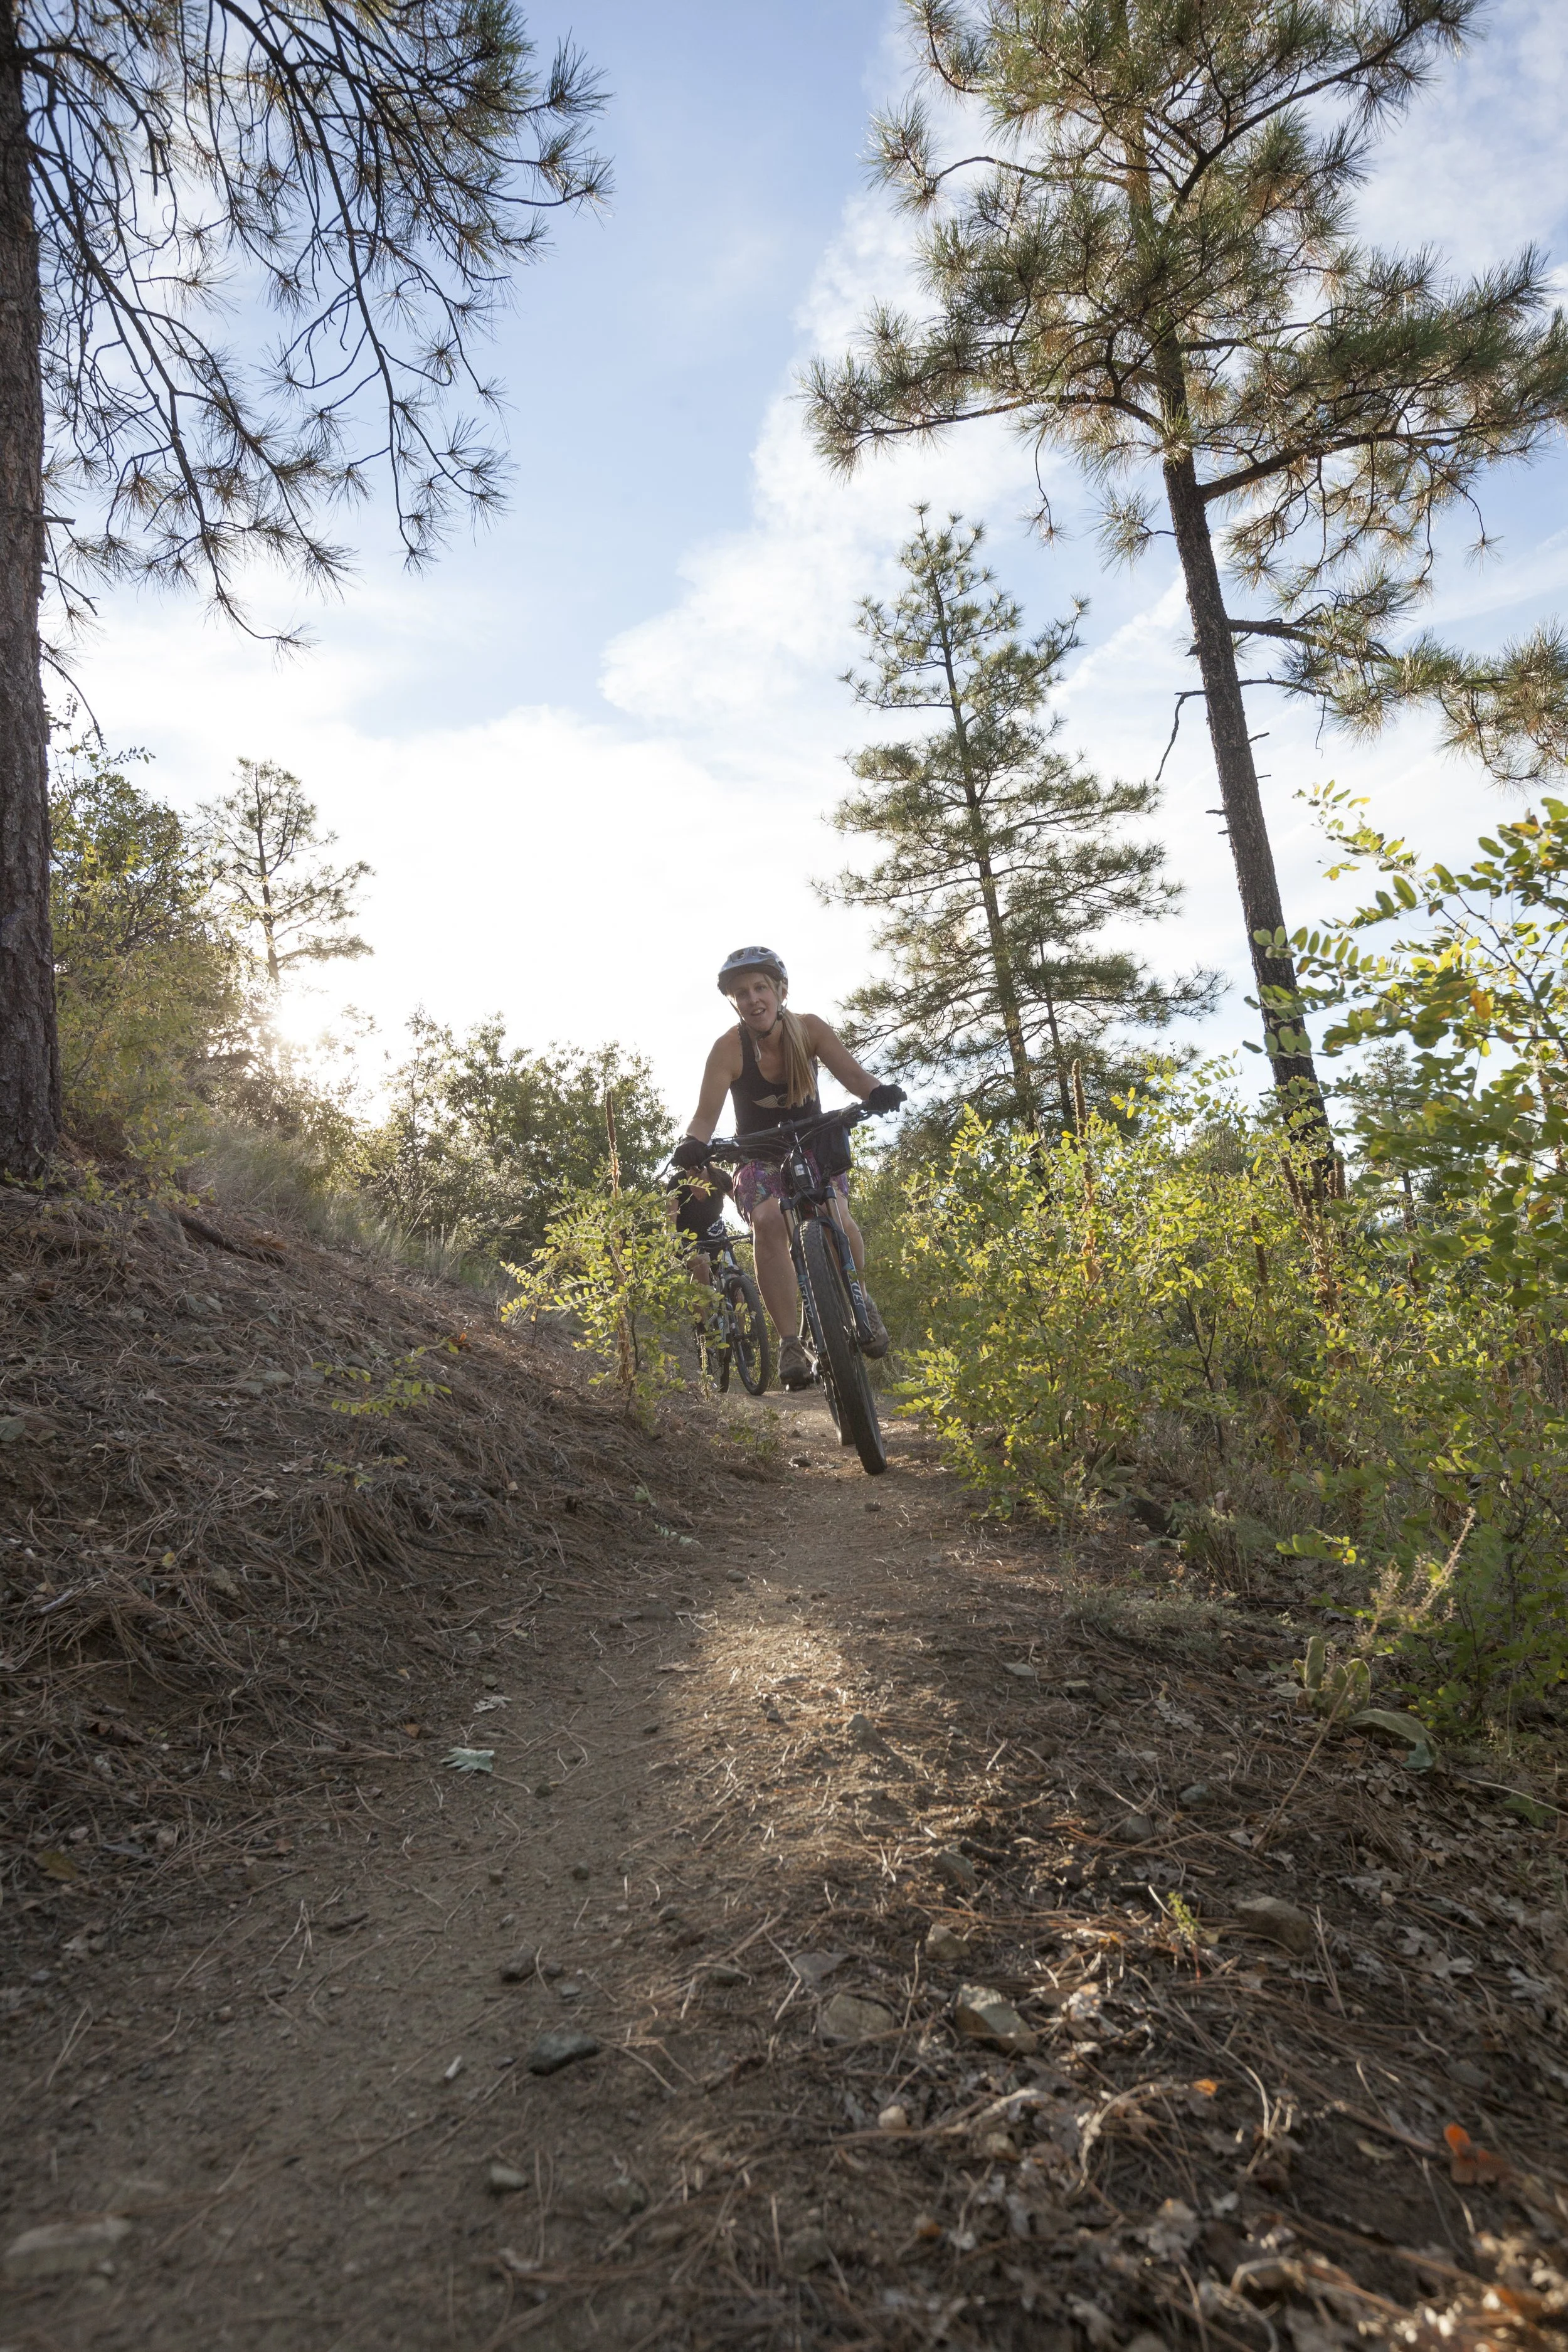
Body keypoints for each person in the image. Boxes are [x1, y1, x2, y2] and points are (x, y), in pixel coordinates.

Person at [673, 947, 904, 1389]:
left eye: (761, 988)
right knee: (766, 1219)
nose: (753, 999)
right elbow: (704, 1117)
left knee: (834, 1209)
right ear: (734, 1002)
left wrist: (877, 1092)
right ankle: (790, 1343)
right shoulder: (728, 1049)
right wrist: (691, 1145)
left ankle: (861, 1302)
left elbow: (855, 1077)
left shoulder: (810, 1029)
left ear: (780, 991)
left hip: (817, 1141)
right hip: (758, 1154)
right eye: (741, 993)